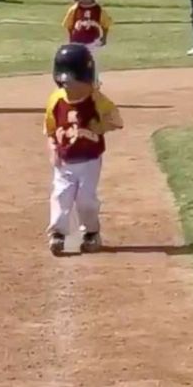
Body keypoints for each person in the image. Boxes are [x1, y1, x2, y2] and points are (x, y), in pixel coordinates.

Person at [44, 44, 123, 256]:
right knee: (61, 195)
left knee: (86, 199)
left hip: (90, 160)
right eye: (64, 83)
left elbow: (117, 120)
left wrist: (101, 126)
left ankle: (91, 232)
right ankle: (57, 234)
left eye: (74, 82)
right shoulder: (56, 99)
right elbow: (50, 129)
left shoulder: (97, 99)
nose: (68, 87)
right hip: (65, 160)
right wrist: (53, 148)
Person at [62, 0, 112, 83]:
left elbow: (106, 24)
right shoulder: (74, 10)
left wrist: (104, 38)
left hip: (92, 43)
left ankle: (94, 82)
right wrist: (71, 40)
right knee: (76, 63)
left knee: (92, 63)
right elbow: (69, 26)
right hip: (76, 43)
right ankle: (77, 83)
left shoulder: (98, 10)